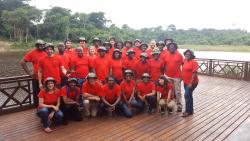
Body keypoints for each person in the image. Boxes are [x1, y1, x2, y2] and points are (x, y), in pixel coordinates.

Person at [21, 39, 46, 106]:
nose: (41, 46)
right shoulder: (32, 53)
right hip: (37, 78)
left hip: (46, 77)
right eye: (39, 45)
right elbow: (23, 62)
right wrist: (29, 73)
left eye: (42, 45)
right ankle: (37, 107)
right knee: (37, 94)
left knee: (46, 93)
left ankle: (45, 107)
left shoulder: (46, 52)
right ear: (36, 46)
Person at [164, 42, 184, 112]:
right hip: (168, 76)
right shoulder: (165, 55)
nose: (171, 47)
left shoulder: (179, 55)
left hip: (177, 76)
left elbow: (184, 65)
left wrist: (182, 75)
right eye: (170, 46)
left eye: (173, 46)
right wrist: (164, 76)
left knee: (177, 92)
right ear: (168, 48)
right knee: (170, 91)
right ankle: (171, 105)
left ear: (175, 48)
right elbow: (163, 66)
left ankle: (179, 105)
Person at [182, 49, 199, 117]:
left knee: (186, 95)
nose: (187, 55)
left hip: (192, 82)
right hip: (185, 82)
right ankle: (190, 111)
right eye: (186, 54)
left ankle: (187, 111)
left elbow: (194, 73)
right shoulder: (185, 61)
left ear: (192, 55)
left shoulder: (194, 62)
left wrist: (190, 83)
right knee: (189, 95)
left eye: (189, 54)